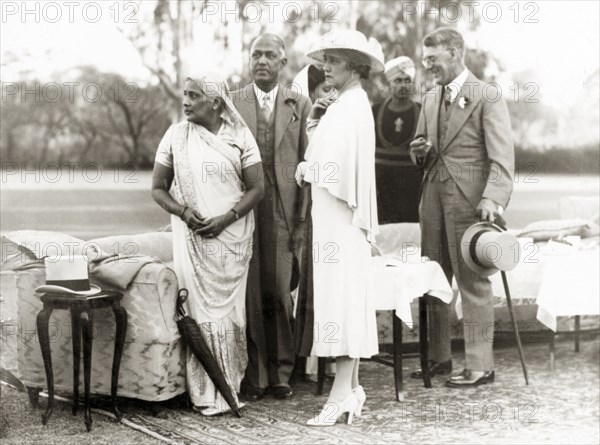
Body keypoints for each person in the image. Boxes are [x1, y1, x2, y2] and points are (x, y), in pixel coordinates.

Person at [151, 73, 265, 415]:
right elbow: (157, 188)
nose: (185, 101)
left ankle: (229, 384)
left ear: (216, 102)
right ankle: (204, 392)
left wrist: (227, 219)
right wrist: (184, 213)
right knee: (198, 312)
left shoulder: (240, 136)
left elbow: (258, 188)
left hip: (233, 240)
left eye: (194, 95)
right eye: (185, 95)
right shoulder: (175, 135)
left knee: (231, 313)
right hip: (193, 240)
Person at [409, 27, 514, 387]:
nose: (428, 67)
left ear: (455, 53)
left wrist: (492, 198)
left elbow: (502, 159)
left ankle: (480, 366)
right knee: (434, 282)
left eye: (433, 59)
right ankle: (437, 359)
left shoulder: (486, 95)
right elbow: (419, 146)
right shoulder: (429, 97)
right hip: (432, 202)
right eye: (426, 60)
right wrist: (418, 151)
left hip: (470, 205)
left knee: (473, 283)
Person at [296, 29, 383, 426]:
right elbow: (330, 151)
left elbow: (335, 171)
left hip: (341, 222)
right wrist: (316, 120)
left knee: (344, 298)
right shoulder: (345, 105)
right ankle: (350, 390)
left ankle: (340, 393)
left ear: (354, 64)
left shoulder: (352, 106)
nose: (325, 66)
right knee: (339, 296)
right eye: (325, 59)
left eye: (333, 60)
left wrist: (304, 170)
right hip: (332, 219)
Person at [231, 33, 312, 401]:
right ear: (249, 61)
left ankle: (282, 372)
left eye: (270, 56)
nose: (262, 61)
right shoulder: (232, 104)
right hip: (245, 211)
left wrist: (301, 219)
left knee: (279, 291)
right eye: (256, 54)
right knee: (250, 294)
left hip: (283, 210)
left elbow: (308, 164)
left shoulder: (300, 103)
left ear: (283, 63)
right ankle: (256, 374)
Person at [291, 64, 337, 383]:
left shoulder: (337, 120)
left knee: (327, 283)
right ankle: (305, 359)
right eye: (323, 90)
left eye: (332, 89)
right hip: (307, 208)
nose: (329, 95)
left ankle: (328, 358)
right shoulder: (308, 119)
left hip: (332, 207)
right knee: (306, 281)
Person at [372, 56, 422, 224]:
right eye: (398, 80)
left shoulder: (422, 112)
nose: (403, 85)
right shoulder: (375, 111)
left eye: (407, 80)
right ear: (389, 84)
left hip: (411, 188)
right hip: (381, 188)